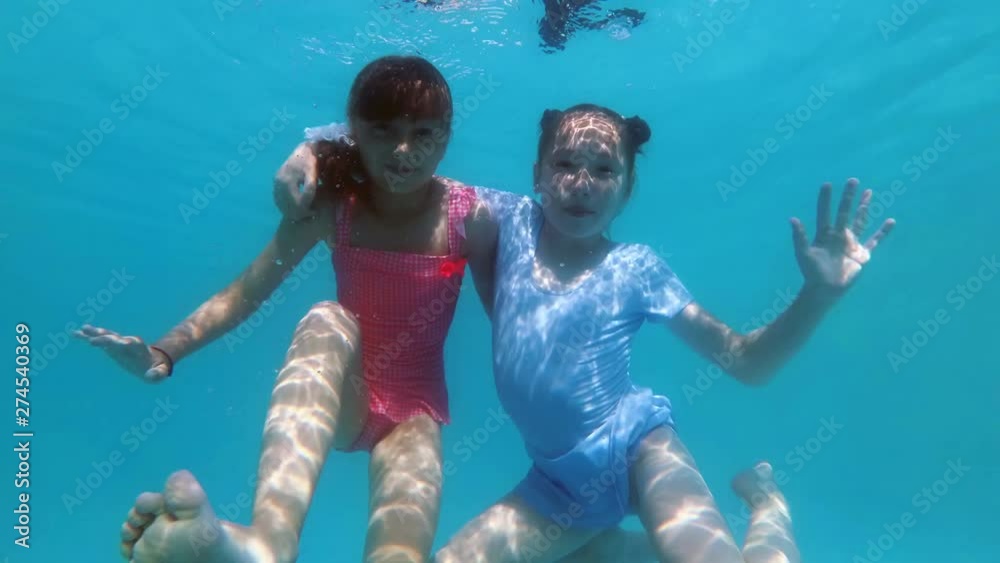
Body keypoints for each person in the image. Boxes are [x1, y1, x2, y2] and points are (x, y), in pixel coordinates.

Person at [274, 105, 896, 562]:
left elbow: (746, 361)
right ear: (538, 174)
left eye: (604, 169)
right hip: (559, 484)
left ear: (627, 189)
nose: (581, 182)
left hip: (639, 448)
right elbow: (406, 168)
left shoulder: (637, 267)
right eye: (566, 164)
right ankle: (621, 548)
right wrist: (319, 149)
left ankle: (769, 508)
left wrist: (816, 297)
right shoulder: (506, 220)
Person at [75, 55, 498, 563]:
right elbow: (244, 291)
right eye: (384, 130)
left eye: (424, 133)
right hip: (343, 397)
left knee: (399, 554)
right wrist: (164, 352)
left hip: (415, 414)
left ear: (447, 137)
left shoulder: (468, 218)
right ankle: (267, 544)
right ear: (355, 132)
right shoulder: (334, 209)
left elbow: (509, 318)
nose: (404, 150)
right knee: (326, 316)